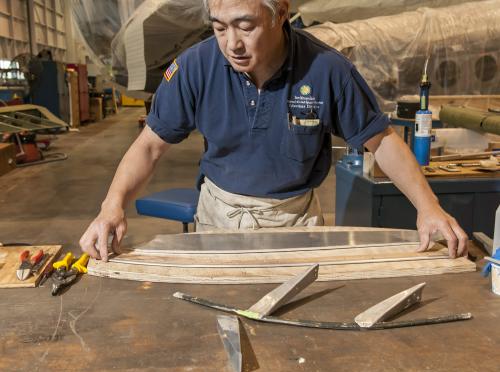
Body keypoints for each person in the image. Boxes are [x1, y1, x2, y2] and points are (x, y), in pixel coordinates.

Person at [80, 0, 468, 261]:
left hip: (295, 220)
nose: (231, 44)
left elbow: (380, 140)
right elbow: (149, 145)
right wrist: (110, 206)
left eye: (245, 26)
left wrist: (428, 207)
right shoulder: (196, 67)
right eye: (219, 28)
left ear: (279, 12)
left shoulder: (326, 70)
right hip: (219, 217)